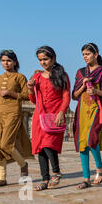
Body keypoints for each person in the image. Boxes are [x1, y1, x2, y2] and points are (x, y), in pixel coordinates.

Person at [0, 50, 33, 188]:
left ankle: (23, 164)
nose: (6, 63)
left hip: (13, 112)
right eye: (3, 60)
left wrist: (11, 93)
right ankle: (2, 178)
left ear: (15, 62)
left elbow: (27, 96)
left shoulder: (19, 77)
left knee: (6, 144)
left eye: (9, 60)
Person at [72, 43, 102, 189]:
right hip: (82, 111)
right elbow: (74, 95)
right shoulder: (80, 73)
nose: (85, 57)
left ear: (96, 54)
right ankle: (86, 179)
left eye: (88, 54)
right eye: (83, 54)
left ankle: (100, 168)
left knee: (91, 139)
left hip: (97, 109)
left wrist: (97, 92)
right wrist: (83, 86)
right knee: (82, 143)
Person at [27, 46, 71, 191]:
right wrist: (29, 88)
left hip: (54, 117)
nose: (43, 62)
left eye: (45, 59)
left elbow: (66, 96)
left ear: (53, 58)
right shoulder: (37, 77)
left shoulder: (62, 76)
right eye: (40, 60)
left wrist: (61, 112)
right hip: (39, 118)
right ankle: (44, 179)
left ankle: (56, 172)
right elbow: (33, 100)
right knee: (40, 148)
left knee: (48, 145)